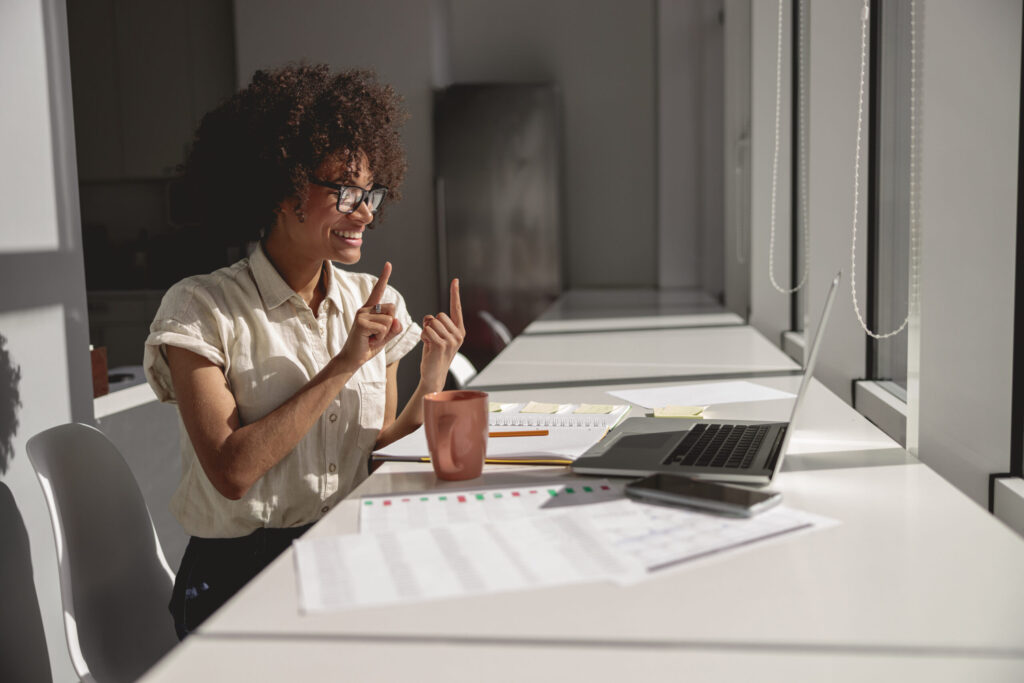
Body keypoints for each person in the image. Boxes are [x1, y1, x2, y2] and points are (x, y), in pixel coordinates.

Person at [143, 64, 465, 639]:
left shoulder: (376, 300)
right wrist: (343, 366)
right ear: (281, 188)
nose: (364, 212)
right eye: (344, 191)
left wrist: (432, 380)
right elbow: (232, 471)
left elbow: (375, 452)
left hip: (348, 552)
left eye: (369, 193)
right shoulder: (199, 308)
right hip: (237, 577)